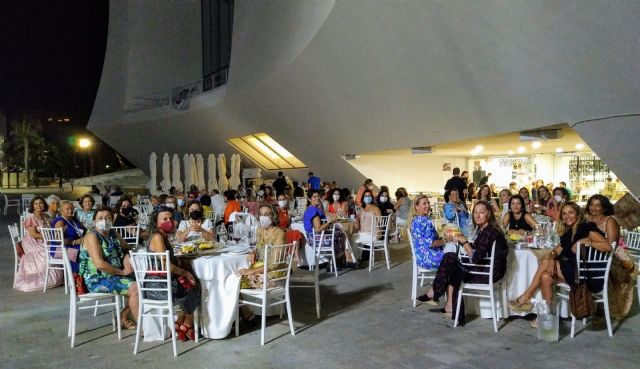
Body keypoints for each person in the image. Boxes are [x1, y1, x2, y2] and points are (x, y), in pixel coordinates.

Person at [509, 202, 610, 313]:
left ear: (578, 215)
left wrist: (588, 242)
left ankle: (525, 297)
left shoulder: (586, 228)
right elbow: (555, 251)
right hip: (575, 273)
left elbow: (607, 246)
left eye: (571, 212)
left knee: (546, 262)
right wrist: (552, 258)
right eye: (564, 214)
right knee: (545, 276)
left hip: (589, 275)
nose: (567, 216)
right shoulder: (569, 233)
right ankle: (547, 314)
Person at [417, 201, 508, 320]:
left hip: (488, 273)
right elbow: (479, 250)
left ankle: (434, 293)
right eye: (475, 212)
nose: (477, 215)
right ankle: (446, 304)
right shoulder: (486, 229)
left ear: (489, 214)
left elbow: (475, 258)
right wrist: (463, 242)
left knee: (451, 262)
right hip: (488, 268)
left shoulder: (489, 232)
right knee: (451, 260)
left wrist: (464, 241)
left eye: (482, 212)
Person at [145, 206, 201, 341]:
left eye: (170, 218)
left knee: (190, 282)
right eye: (164, 219)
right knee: (194, 285)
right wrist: (184, 272)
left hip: (158, 282)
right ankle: (187, 324)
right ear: (156, 222)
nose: (168, 221)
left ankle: (182, 322)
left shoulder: (161, 236)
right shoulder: (157, 237)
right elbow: (166, 265)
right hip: (159, 287)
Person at [78, 206, 139, 329]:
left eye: (108, 218)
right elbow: (100, 264)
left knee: (146, 281)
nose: (104, 221)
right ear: (94, 221)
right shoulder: (92, 237)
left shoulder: (113, 234)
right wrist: (121, 272)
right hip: (98, 279)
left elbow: (127, 248)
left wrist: (126, 259)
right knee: (135, 288)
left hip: (115, 275)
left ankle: (124, 315)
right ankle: (144, 327)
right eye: (100, 218)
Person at [14, 196, 64, 292]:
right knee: (47, 251)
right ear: (33, 206)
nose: (38, 205)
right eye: (36, 204)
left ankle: (63, 275)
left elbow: (53, 228)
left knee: (59, 248)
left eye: (40, 203)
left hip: (44, 240)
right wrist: (48, 237)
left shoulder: (46, 216)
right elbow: (34, 234)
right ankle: (46, 279)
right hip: (32, 242)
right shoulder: (31, 218)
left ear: (44, 204)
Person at [303, 190, 357, 268]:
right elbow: (318, 229)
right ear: (309, 199)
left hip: (314, 237)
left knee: (341, 232)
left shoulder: (312, 208)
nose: (317, 198)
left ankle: (340, 260)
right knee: (342, 235)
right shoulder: (313, 211)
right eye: (314, 197)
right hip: (316, 239)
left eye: (318, 196)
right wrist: (330, 222)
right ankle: (343, 260)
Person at [409, 195, 446, 271]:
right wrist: (447, 240)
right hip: (427, 257)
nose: (428, 206)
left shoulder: (417, 220)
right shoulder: (422, 221)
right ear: (417, 206)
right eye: (424, 203)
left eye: (428, 203)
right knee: (455, 257)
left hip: (421, 255)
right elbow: (432, 243)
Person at [52, 201, 87, 273]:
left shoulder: (74, 219)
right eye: (67, 209)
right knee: (84, 252)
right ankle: (76, 278)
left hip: (75, 246)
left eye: (71, 209)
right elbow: (59, 240)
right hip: (60, 249)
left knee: (90, 248)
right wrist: (75, 242)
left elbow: (84, 230)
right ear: (61, 211)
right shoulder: (60, 221)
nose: (70, 211)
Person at [354, 189, 383, 264]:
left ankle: (355, 259)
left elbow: (381, 223)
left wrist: (379, 232)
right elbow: (358, 224)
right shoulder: (361, 209)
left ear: (372, 198)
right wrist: (356, 220)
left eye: (369, 196)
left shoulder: (375, 208)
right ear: (363, 198)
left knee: (351, 238)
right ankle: (360, 258)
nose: (367, 197)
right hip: (363, 233)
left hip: (372, 234)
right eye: (366, 196)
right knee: (351, 237)